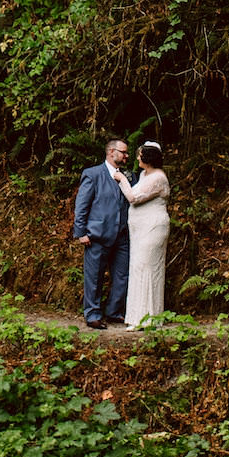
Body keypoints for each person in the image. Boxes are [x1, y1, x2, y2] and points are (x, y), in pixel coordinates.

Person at [72, 138, 132, 329]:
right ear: (111, 152)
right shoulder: (93, 174)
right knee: (94, 276)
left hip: (122, 235)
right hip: (97, 235)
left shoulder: (127, 175)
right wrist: (81, 232)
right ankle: (92, 315)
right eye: (123, 152)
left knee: (122, 276)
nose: (126, 156)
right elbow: (82, 205)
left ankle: (114, 312)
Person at [123, 141, 170, 328]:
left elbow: (134, 197)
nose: (137, 158)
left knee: (148, 268)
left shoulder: (158, 178)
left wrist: (122, 180)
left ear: (148, 158)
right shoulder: (144, 174)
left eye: (140, 155)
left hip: (153, 227)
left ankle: (150, 319)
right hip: (139, 230)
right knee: (138, 268)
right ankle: (136, 317)